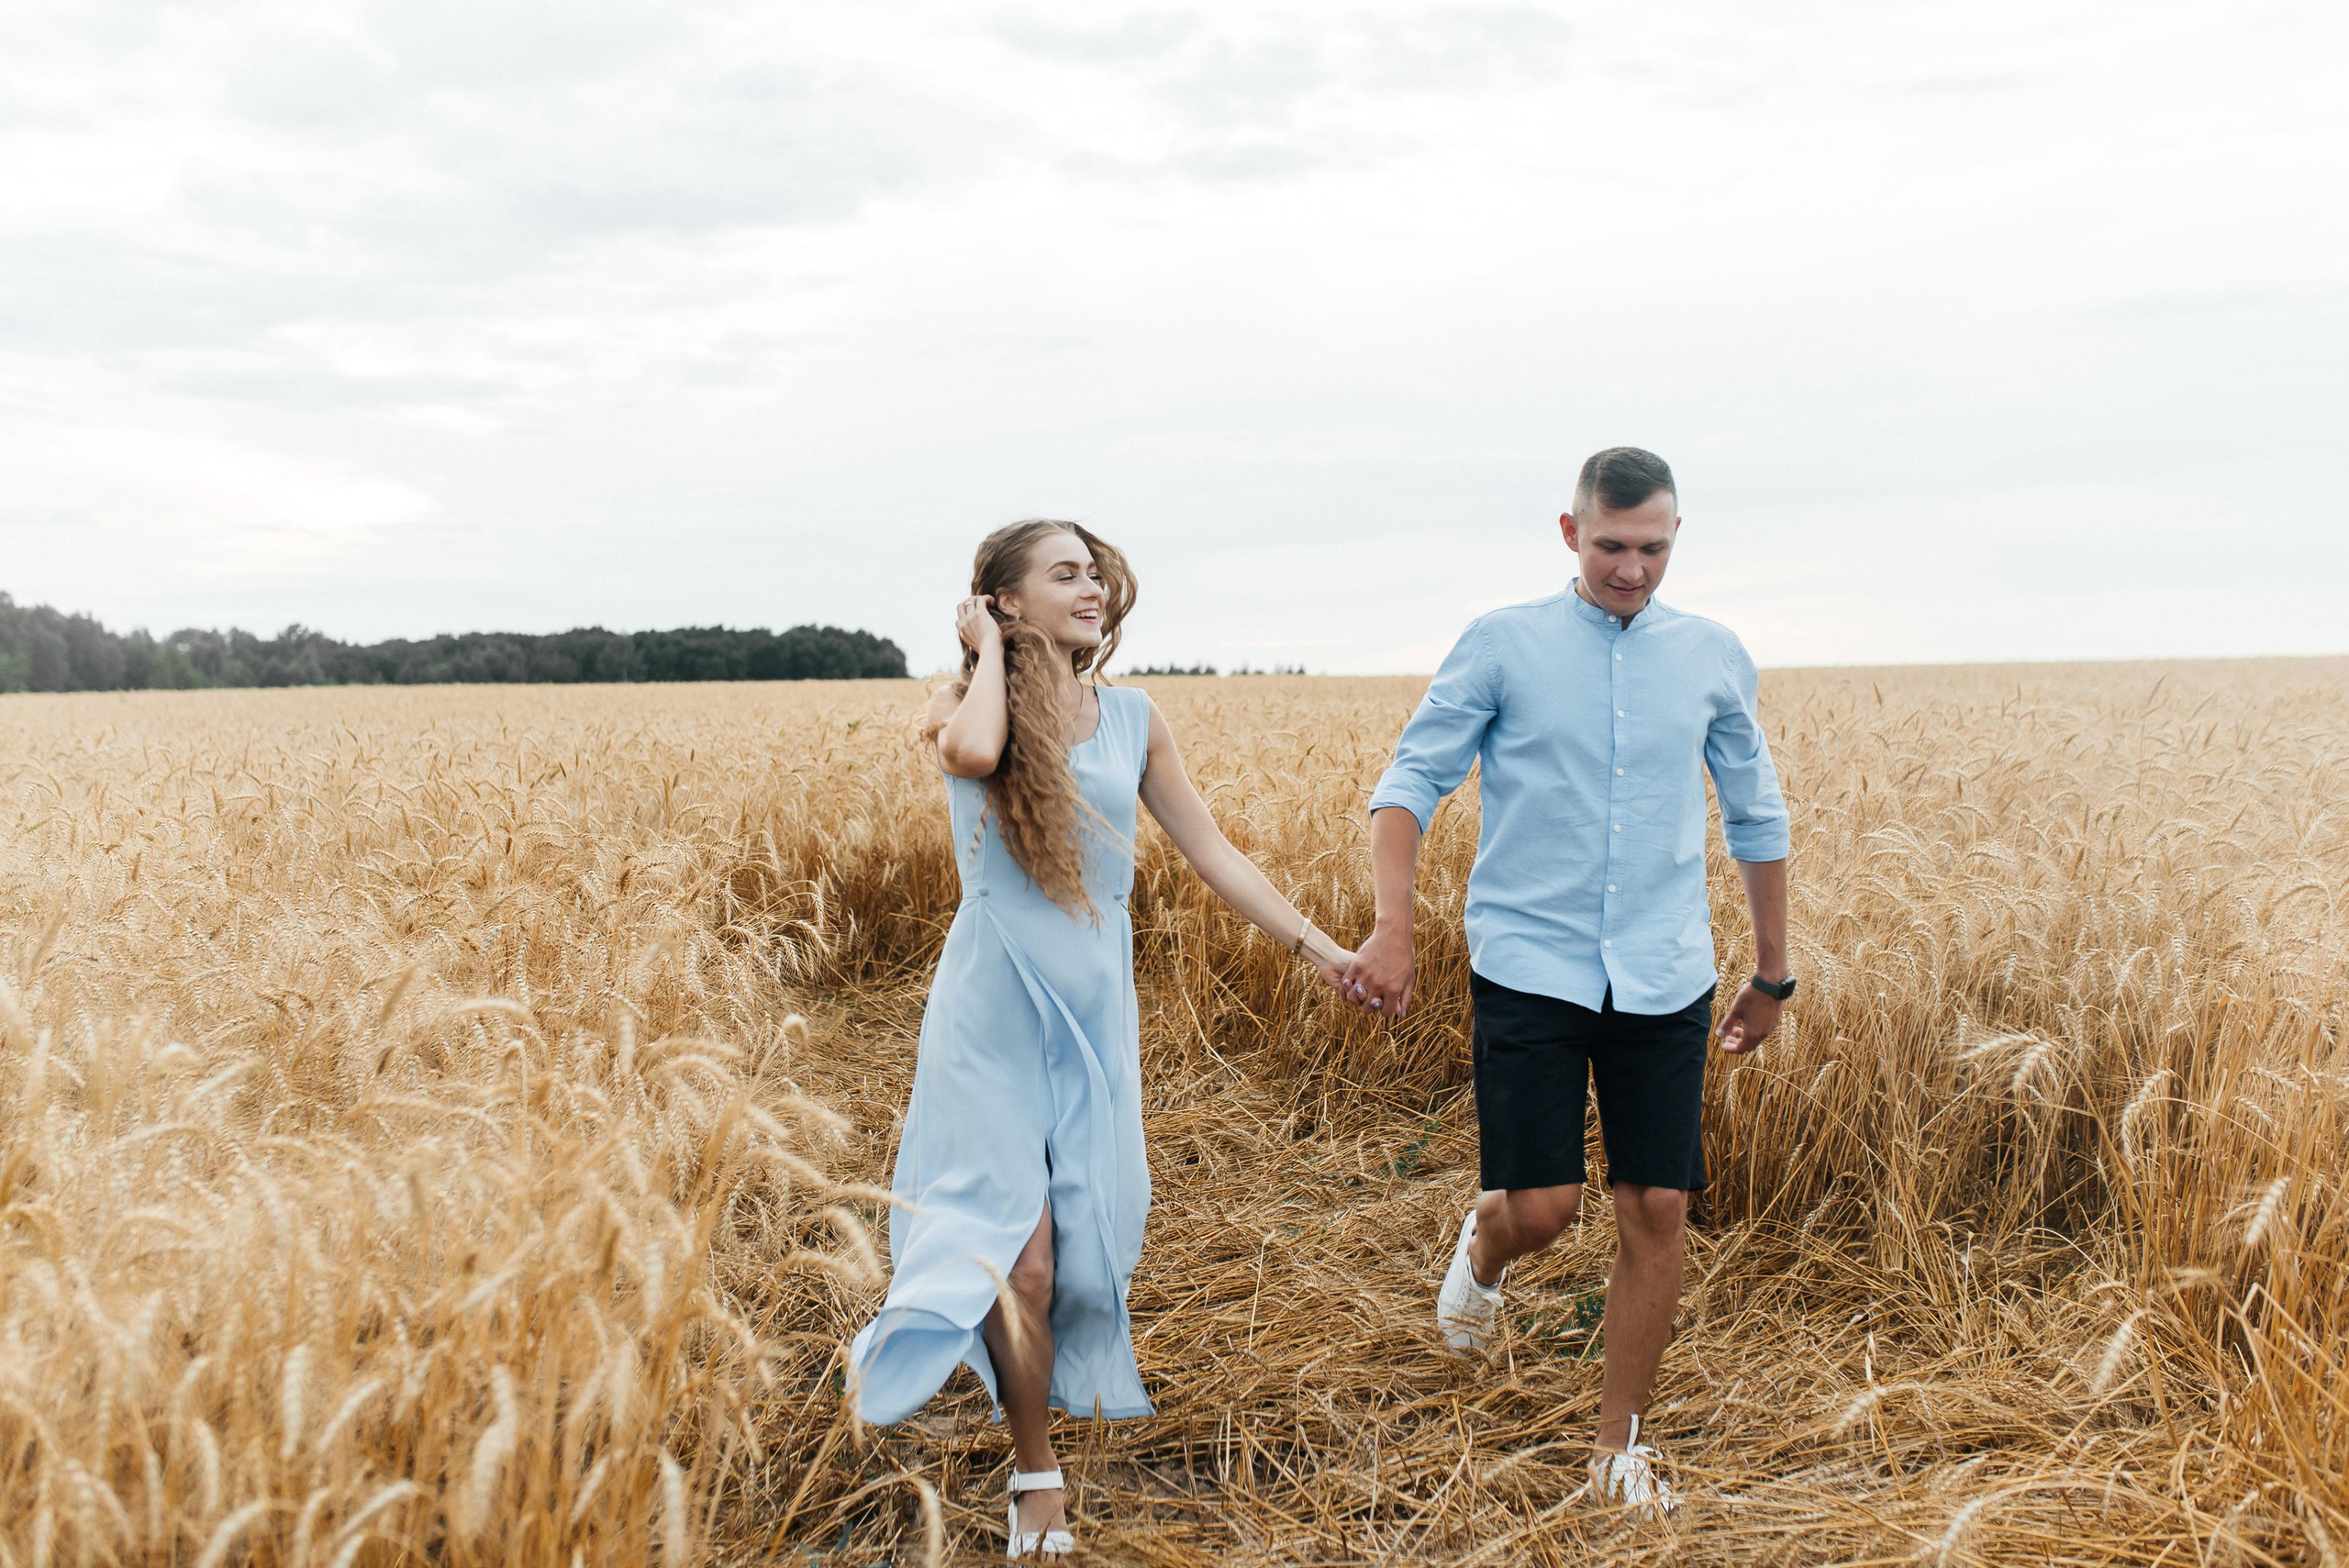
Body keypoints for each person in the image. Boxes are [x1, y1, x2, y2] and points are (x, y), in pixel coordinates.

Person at [845, 519, 1354, 1560]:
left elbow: (1213, 851)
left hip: (1092, 1010)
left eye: (1094, 573)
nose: (1090, 589)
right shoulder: (959, 703)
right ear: (1000, 597)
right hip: (991, 1010)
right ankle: (1037, 1471)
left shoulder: (1135, 717)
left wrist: (1325, 951)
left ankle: (1020, 1385)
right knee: (1018, 1260)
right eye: (1062, 575)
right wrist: (989, 653)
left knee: (1085, 1246)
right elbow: (980, 753)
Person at [1339, 447, 1793, 1516]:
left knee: (1656, 1204)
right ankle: (1487, 1243)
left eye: (1653, 547)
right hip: (1529, 963)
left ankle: (1617, 1449)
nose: (1632, 568)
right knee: (1542, 1207)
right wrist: (1392, 925)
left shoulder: (1714, 656)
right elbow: (1408, 784)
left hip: (1665, 968)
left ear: (1675, 535)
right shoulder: (1504, 643)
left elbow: (1758, 815)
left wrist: (1773, 973)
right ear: (1567, 531)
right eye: (1611, 545)